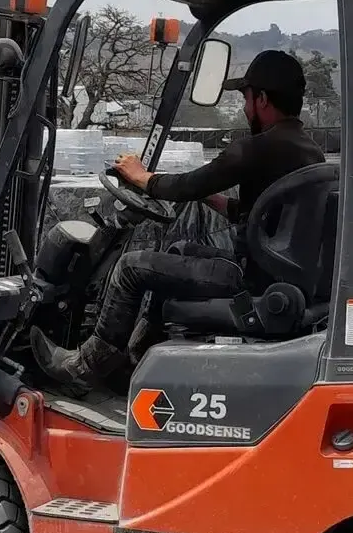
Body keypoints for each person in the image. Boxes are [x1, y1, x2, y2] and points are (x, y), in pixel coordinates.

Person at [32, 49, 327, 391]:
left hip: (247, 279)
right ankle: (137, 358)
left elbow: (185, 185)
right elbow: (257, 215)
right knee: (179, 249)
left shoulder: (258, 148)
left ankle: (86, 366)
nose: (245, 108)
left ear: (261, 99)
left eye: (246, 98)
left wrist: (141, 176)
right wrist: (205, 196)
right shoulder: (308, 150)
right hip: (271, 273)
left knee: (130, 267)